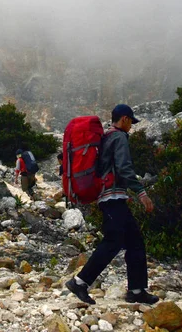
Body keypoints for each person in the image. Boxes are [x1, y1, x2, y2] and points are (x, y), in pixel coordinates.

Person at [66, 104, 159, 305]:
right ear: (124, 119)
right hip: (112, 197)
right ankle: (80, 282)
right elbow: (124, 168)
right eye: (131, 122)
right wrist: (142, 193)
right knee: (113, 241)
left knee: (134, 241)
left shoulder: (106, 137)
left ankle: (137, 290)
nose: (131, 127)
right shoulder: (119, 137)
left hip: (111, 197)